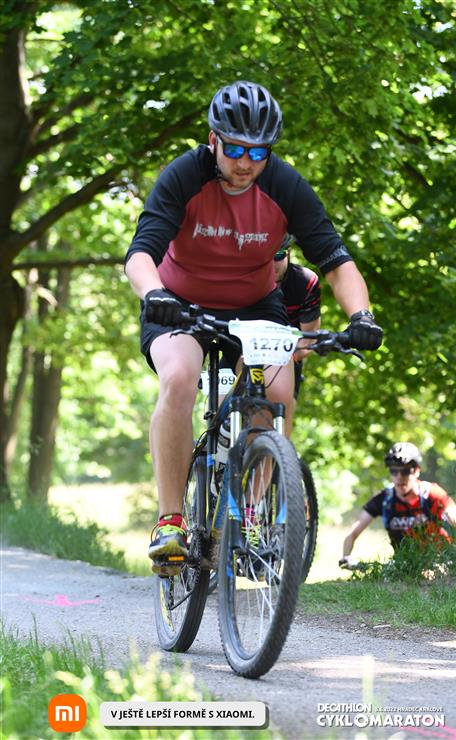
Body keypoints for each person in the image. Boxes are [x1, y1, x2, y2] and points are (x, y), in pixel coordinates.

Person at [124, 80, 383, 567]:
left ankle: (247, 514)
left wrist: (361, 316)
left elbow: (335, 259)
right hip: (177, 303)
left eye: (258, 152)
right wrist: (154, 293)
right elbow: (141, 253)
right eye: (235, 149)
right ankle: (171, 521)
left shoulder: (284, 185)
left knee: (278, 392)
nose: (246, 162)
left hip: (254, 306)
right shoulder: (184, 176)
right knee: (179, 377)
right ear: (213, 140)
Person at [339, 442, 456, 568]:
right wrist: (346, 557)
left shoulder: (431, 494)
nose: (399, 476)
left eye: (406, 471)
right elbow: (352, 532)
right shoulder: (385, 499)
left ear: (417, 471)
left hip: (441, 561)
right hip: (404, 566)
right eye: (393, 471)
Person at [273, 234, 321, 401]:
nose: (271, 264)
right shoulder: (243, 278)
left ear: (288, 252)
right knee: (220, 406)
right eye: (264, 256)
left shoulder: (304, 282)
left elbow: (309, 340)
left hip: (286, 354)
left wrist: (284, 358)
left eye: (278, 255)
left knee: (284, 406)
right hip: (239, 350)